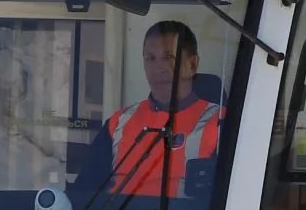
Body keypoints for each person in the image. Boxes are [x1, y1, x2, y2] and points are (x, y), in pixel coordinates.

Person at [91, 20, 224, 198]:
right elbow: (85, 196)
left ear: (192, 65)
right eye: (150, 59)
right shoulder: (117, 124)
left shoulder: (222, 124)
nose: (158, 68)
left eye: (168, 57)